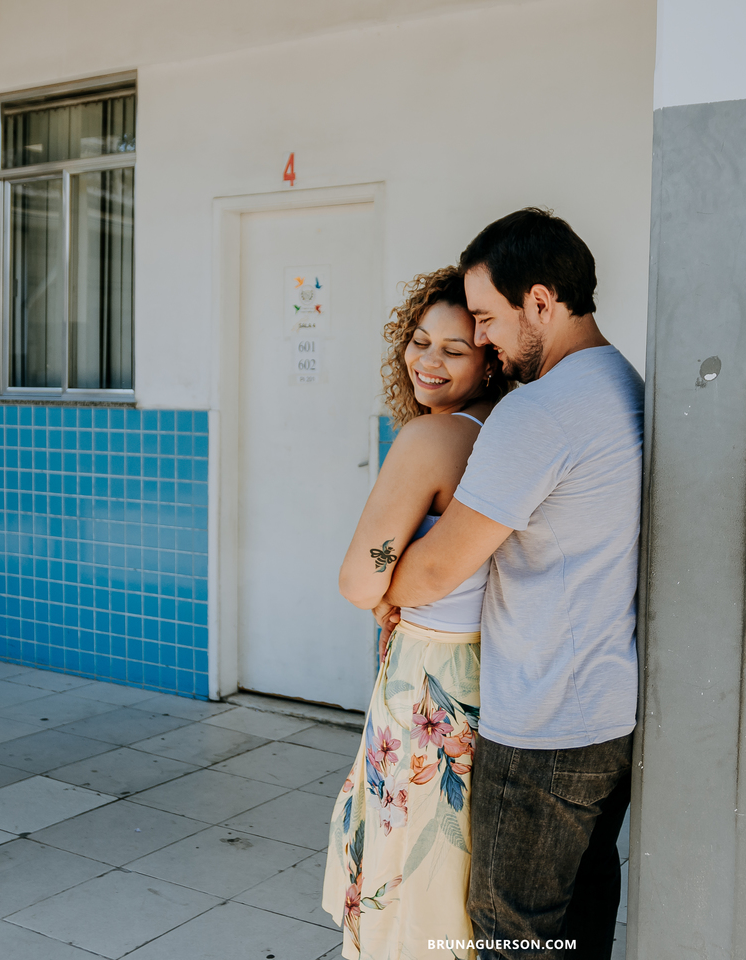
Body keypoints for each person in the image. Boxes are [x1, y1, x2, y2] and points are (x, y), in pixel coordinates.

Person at [383, 209, 644, 960]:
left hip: (541, 723)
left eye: (489, 319)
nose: (487, 339)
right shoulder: (620, 380)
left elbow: (436, 567)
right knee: (580, 916)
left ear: (540, 300)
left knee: (512, 933)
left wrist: (378, 585)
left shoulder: (540, 411)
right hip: (604, 709)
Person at [322, 267, 507, 960]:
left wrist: (388, 590)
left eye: (454, 350)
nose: (428, 362)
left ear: (490, 356)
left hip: (427, 675)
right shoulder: (509, 426)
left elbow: (354, 579)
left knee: (408, 865)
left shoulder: (431, 441)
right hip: (490, 672)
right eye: (420, 341)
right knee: (455, 867)